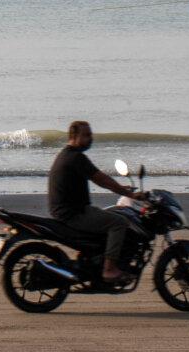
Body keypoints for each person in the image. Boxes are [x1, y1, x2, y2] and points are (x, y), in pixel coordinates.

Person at [48, 120, 144, 284]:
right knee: (119, 222)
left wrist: (122, 189)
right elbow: (102, 180)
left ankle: (96, 259)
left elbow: (101, 180)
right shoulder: (77, 158)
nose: (90, 138)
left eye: (91, 135)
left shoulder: (66, 154)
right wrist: (129, 194)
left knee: (109, 215)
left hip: (65, 211)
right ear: (74, 136)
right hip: (74, 214)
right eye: (86, 135)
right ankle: (109, 270)